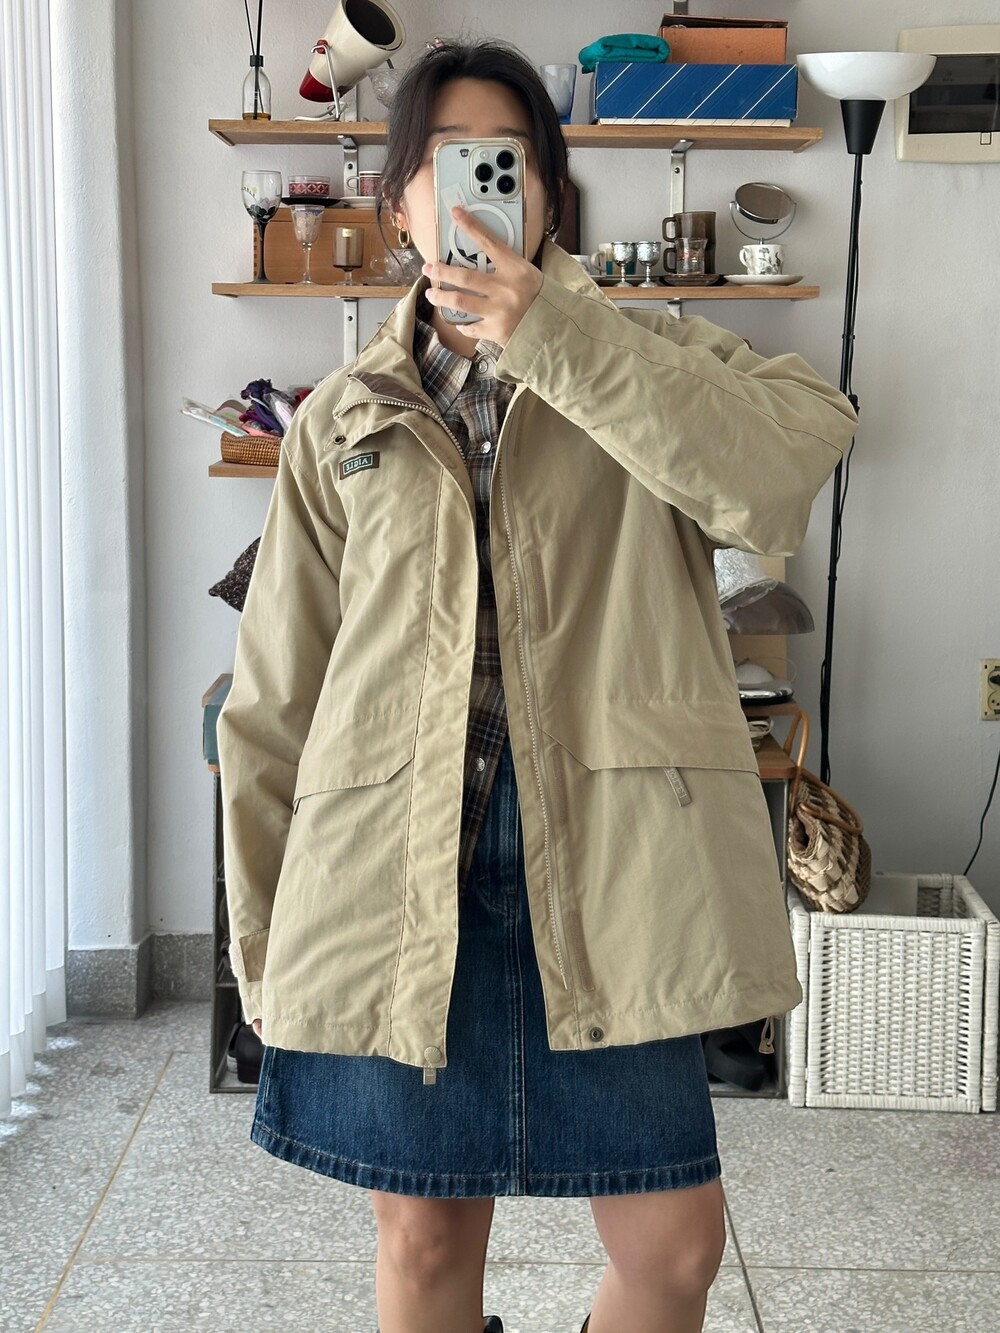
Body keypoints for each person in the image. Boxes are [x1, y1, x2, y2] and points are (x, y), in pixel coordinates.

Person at [217, 39, 857, 1333]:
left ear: (550, 195)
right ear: (399, 203)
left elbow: (787, 466)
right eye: (446, 162)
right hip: (395, 859)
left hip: (620, 857)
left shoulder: (651, 361)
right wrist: (263, 945)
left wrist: (554, 335)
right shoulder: (343, 418)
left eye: (504, 161)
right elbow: (276, 698)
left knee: (674, 1246)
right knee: (423, 1238)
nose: (477, 186)